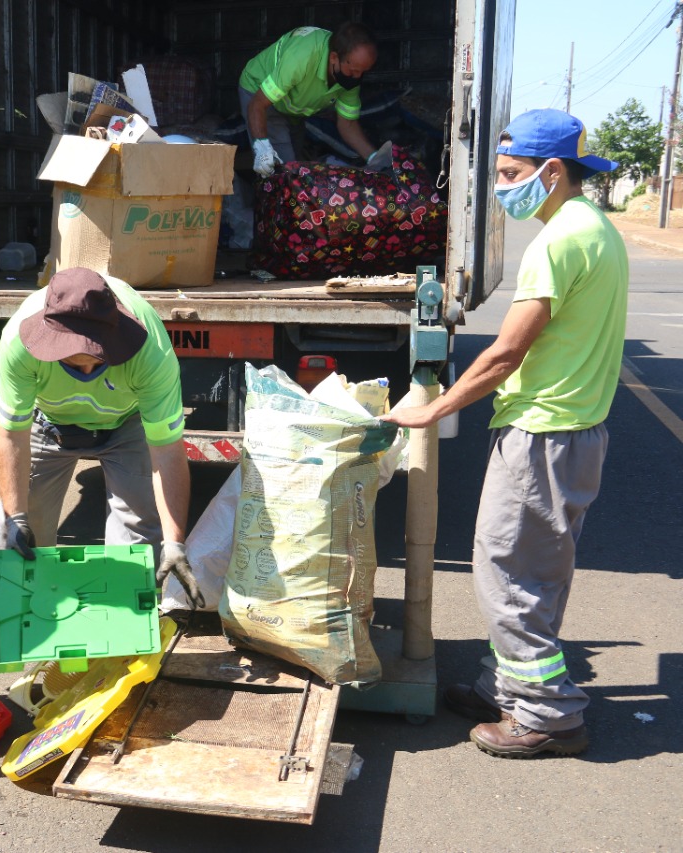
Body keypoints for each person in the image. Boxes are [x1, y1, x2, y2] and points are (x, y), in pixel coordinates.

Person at [383, 109, 628, 758]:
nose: (501, 186)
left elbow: (504, 353)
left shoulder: (558, 242)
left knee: (509, 575)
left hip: (543, 432)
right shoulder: (594, 227)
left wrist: (432, 409)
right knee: (535, 572)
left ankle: (548, 715)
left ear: (553, 172)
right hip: (575, 431)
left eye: (512, 174)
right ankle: (508, 688)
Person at [0, 267, 203, 607]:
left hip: (127, 422)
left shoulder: (150, 349)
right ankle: (25, 618)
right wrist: (16, 516)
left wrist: (175, 542)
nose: (87, 374)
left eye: (99, 358)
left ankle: (126, 626)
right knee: (16, 531)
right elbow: (13, 436)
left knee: (138, 533)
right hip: (50, 423)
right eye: (74, 363)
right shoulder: (19, 342)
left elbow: (166, 452)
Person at [238, 23, 385, 176]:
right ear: (334, 58)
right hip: (260, 96)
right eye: (354, 71)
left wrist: (375, 158)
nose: (357, 77)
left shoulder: (349, 75)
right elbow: (257, 104)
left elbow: (347, 124)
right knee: (282, 173)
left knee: (294, 167)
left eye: (362, 72)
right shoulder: (301, 57)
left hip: (293, 110)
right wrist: (262, 147)